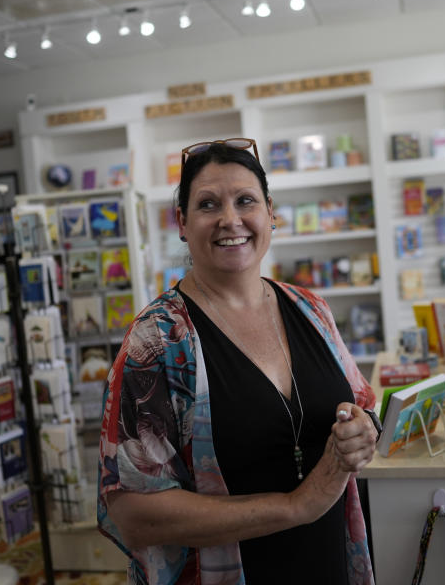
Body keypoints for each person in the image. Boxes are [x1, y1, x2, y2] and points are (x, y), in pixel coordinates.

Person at [97, 138, 380, 584]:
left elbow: (363, 402)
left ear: (270, 212)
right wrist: (295, 506)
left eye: (245, 200)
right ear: (183, 224)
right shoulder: (156, 342)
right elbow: (134, 512)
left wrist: (361, 429)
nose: (230, 220)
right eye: (208, 204)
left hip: (328, 563)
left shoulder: (312, 309)